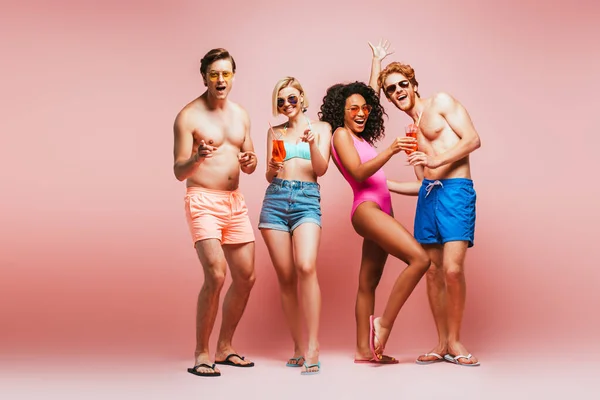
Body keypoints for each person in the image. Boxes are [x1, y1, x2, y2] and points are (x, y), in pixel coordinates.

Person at [368, 39, 482, 366]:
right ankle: (442, 343)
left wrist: (434, 161)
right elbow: (422, 182)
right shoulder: (411, 130)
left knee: (453, 269)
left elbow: (473, 139)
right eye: (391, 89)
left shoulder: (441, 101)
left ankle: (457, 342)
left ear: (414, 85)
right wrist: (381, 183)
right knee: (432, 272)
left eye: (403, 84)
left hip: (456, 191)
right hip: (429, 198)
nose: (398, 90)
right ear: (389, 97)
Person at [319, 81, 430, 363]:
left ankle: (363, 351)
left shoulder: (362, 138)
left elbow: (369, 95)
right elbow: (357, 173)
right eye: (353, 108)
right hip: (367, 210)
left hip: (382, 210)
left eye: (365, 108)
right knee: (419, 259)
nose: (361, 112)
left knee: (367, 283)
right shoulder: (340, 135)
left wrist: (376, 64)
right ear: (340, 112)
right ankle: (384, 324)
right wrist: (391, 150)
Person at [173, 48, 258, 377]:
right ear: (205, 77)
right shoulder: (188, 117)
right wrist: (196, 158)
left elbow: (248, 161)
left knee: (247, 277)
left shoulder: (241, 114)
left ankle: (225, 347)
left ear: (233, 76)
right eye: (214, 74)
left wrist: (250, 162)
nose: (220, 80)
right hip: (202, 199)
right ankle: (202, 353)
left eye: (226, 74)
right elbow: (179, 171)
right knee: (217, 274)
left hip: (234, 201)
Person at [258, 77, 332, 375]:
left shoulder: (321, 129)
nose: (286, 105)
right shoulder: (274, 132)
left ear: (302, 98)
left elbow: (321, 169)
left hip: (306, 199)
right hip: (275, 199)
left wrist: (313, 143)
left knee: (306, 266)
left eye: (291, 99)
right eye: (281, 101)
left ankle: (314, 345)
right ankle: (298, 347)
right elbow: (268, 174)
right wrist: (273, 169)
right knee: (286, 277)